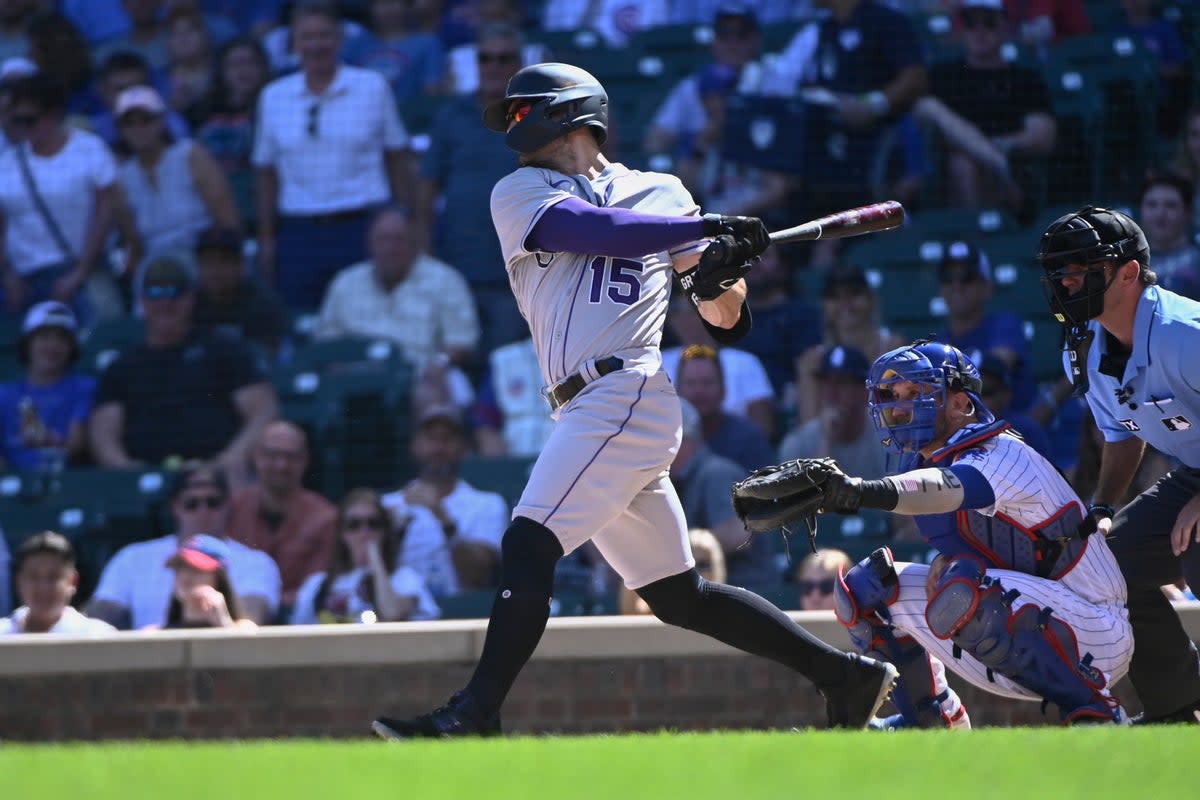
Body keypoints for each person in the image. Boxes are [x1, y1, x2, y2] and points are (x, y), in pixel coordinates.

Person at [370, 62, 898, 740]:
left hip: (625, 392)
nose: (513, 127)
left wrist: (720, 267)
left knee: (529, 543)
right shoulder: (521, 190)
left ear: (571, 112)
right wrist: (704, 226)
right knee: (678, 595)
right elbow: (600, 233)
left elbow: (726, 320)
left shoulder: (663, 193)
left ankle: (475, 713)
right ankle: (845, 678)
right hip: (587, 405)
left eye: (522, 112)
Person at [748, 341, 1132, 727]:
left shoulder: (1003, 452)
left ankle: (1098, 710)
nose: (899, 407)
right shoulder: (923, 457)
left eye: (916, 394)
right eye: (892, 395)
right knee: (867, 588)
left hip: (1096, 628)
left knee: (963, 587)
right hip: (1031, 610)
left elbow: (947, 486)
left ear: (961, 403)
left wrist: (855, 491)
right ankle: (931, 721)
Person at [1036, 205, 1200, 723]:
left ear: (1128, 273)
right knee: (1111, 566)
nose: (1067, 281)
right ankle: (1177, 710)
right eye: (1061, 270)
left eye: (1083, 268)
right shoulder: (1081, 352)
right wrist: (1103, 506)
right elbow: (1121, 435)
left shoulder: (1186, 333)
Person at [252, 0, 413, 309]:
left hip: (363, 227)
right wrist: (267, 238)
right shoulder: (273, 96)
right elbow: (265, 173)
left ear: (339, 40)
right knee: (303, 325)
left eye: (324, 35)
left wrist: (406, 222)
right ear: (294, 44)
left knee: (368, 318)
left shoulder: (371, 86)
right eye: (307, 37)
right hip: (299, 233)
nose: (316, 45)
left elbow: (397, 158)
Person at [89, 253, 278, 481]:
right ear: (142, 300)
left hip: (217, 474)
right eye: (155, 293)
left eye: (175, 292)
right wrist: (126, 470)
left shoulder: (223, 349)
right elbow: (103, 435)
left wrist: (233, 457)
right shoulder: (122, 366)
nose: (165, 302)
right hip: (146, 480)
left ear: (191, 297)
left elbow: (263, 409)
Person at [86, 463, 282, 629]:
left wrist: (223, 622)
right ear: (175, 506)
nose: (203, 511)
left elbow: (251, 623)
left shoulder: (257, 563)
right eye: (192, 503)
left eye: (213, 502)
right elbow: (98, 620)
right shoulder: (132, 558)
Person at [0, 73, 122, 317]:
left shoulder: (89, 149)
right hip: (26, 278)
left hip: (82, 270)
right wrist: (7, 275)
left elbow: (105, 213)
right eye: (17, 121)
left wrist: (80, 272)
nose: (23, 128)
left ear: (53, 114)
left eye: (29, 120)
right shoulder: (7, 163)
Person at [916, 0, 1056, 211]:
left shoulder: (1024, 78)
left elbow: (1043, 136)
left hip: (1015, 168)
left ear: (1006, 27)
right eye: (971, 23)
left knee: (968, 161)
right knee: (961, 160)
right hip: (951, 171)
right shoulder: (943, 76)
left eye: (989, 23)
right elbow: (922, 114)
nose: (979, 31)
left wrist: (992, 146)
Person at [314, 205, 480, 371]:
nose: (390, 249)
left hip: (423, 374)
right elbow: (326, 342)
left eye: (398, 239)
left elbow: (462, 341)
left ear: (415, 243)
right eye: (383, 239)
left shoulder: (445, 280)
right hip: (356, 377)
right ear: (369, 243)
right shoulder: (345, 283)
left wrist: (439, 365)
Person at [382, 404, 508, 597]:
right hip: (401, 615)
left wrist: (440, 515)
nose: (438, 447)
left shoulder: (488, 504)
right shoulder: (387, 506)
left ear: (463, 448)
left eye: (447, 439)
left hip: (460, 615)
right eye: (430, 438)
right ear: (414, 445)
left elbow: (478, 576)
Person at [115, 84, 241, 256]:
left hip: (203, 256)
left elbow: (228, 221)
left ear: (161, 121)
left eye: (146, 120)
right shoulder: (123, 177)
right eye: (129, 123)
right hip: (155, 264)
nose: (138, 130)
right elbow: (133, 243)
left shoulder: (191, 155)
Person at [227, 420, 337, 611]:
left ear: (305, 461)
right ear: (256, 456)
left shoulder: (325, 518)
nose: (281, 465)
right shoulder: (231, 510)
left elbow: (318, 587)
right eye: (273, 455)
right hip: (237, 616)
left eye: (291, 456)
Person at [291, 488, 440, 625]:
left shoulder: (404, 579)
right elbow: (299, 637)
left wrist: (375, 560)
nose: (364, 532)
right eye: (354, 524)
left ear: (384, 531)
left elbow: (392, 614)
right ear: (342, 533)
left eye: (373, 524)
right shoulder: (317, 585)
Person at [671, 398, 775, 588]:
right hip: (715, 592)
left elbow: (739, 533)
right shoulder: (679, 480)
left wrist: (670, 553)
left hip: (747, 590)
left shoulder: (716, 473)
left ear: (681, 440)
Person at [937, 240, 1036, 412]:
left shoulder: (1005, 326)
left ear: (987, 287)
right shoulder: (939, 342)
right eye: (948, 278)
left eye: (967, 277)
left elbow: (992, 372)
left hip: (1012, 430)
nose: (957, 286)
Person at [0, 301, 95, 472]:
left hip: (67, 483)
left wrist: (48, 440)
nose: (53, 346)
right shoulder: (5, 395)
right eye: (44, 337)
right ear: (28, 343)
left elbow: (77, 444)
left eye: (61, 338)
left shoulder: (84, 388)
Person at [191, 225, 290, 356]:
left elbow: (273, 357)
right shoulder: (188, 305)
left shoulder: (263, 303)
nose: (216, 271)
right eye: (208, 262)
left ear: (241, 265)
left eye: (224, 261)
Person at [0, 531, 116, 635]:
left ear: (72, 582)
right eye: (34, 577)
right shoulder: (3, 634)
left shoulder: (99, 636)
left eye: (53, 577)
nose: (43, 587)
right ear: (19, 583)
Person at [619, 528, 727, 615]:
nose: (696, 571)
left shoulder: (728, 610)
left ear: (717, 566)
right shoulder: (661, 608)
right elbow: (631, 612)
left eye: (703, 564)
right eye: (689, 564)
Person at [161, 533, 256, 629]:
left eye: (196, 567)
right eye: (180, 566)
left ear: (219, 578)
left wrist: (223, 622)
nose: (185, 575)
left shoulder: (244, 628)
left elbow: (242, 642)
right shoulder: (154, 633)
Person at [1137, 171, 1200, 301]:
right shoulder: (1127, 262)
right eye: (1152, 205)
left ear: (1188, 212)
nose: (1160, 214)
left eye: (1171, 206)